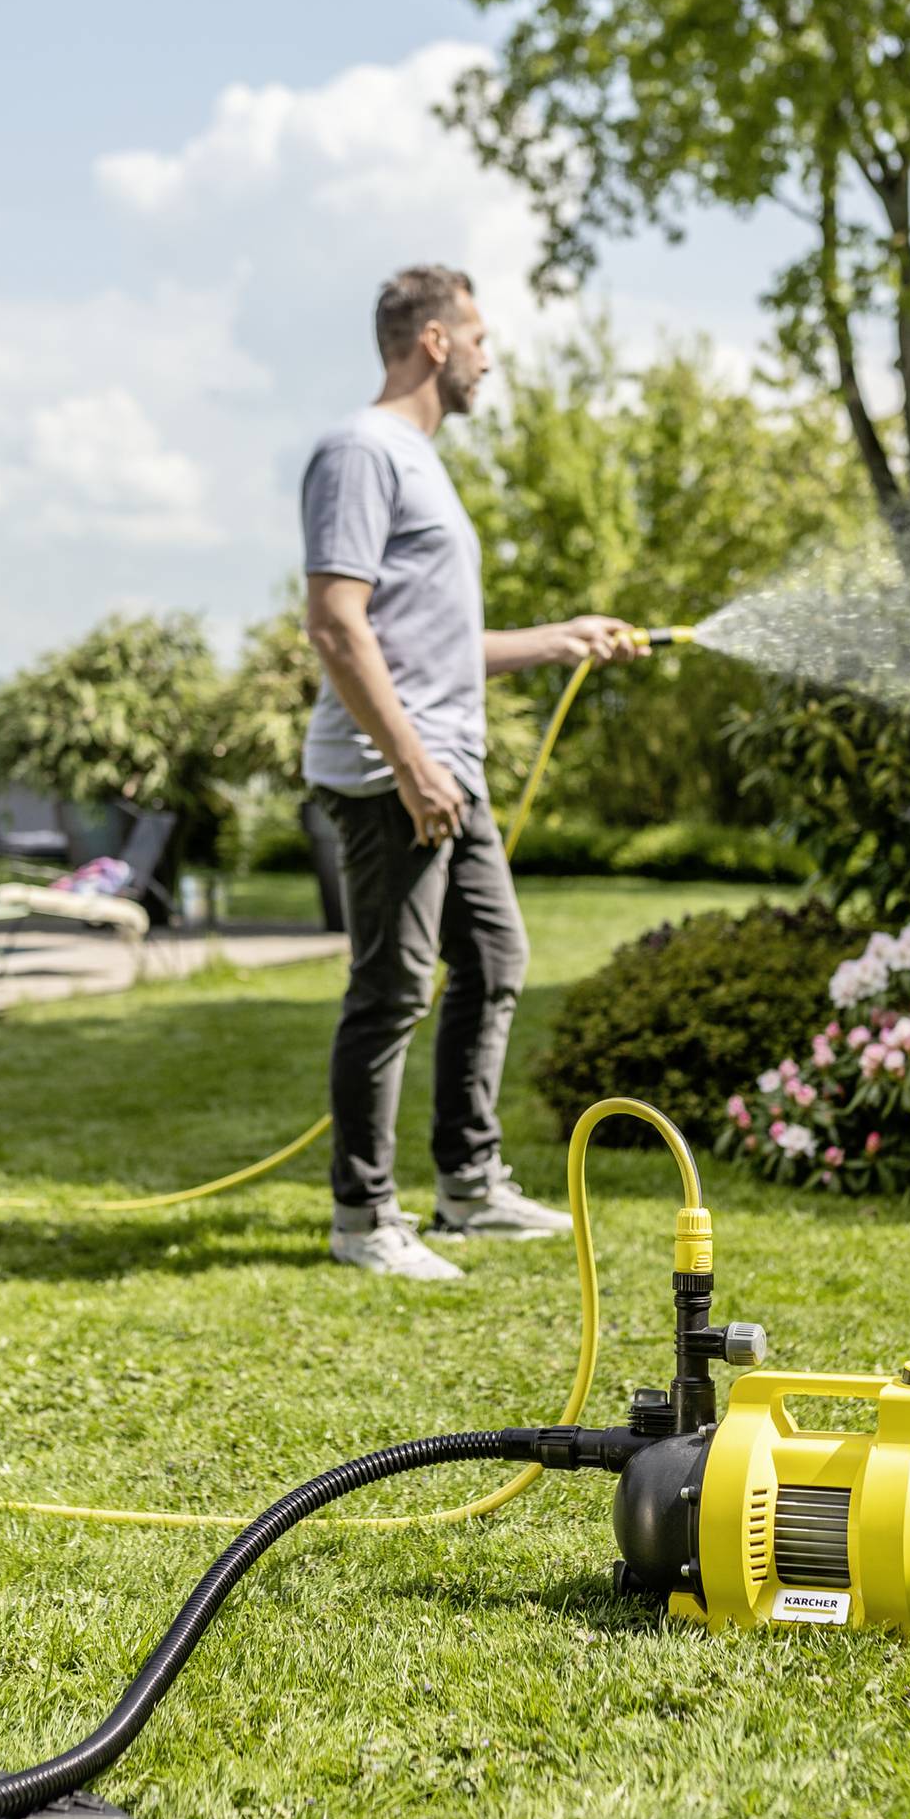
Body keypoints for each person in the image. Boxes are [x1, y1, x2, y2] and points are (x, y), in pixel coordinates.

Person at [302, 263, 644, 1281]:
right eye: (481, 338)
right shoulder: (361, 451)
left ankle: (469, 1187)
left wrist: (559, 638)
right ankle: (365, 1218)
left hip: (447, 771)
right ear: (436, 342)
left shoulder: (422, 462)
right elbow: (334, 621)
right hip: (390, 774)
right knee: (393, 987)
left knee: (492, 960)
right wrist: (411, 765)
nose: (492, 357)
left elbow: (436, 643)